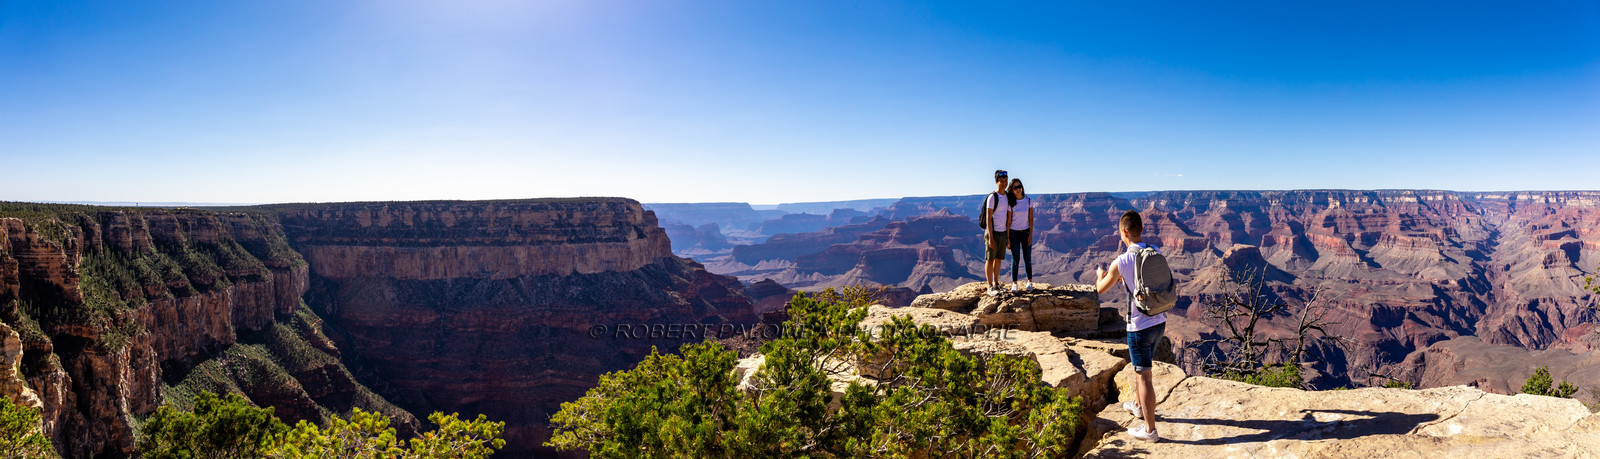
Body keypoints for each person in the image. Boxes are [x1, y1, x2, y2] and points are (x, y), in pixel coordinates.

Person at [1095, 210, 1165, 442]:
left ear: (1124, 232)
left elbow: (1101, 289)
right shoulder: (1156, 252)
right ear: (1141, 230)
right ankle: (1137, 405)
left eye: (1120, 233)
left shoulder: (1122, 261)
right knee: (1140, 368)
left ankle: (1150, 430)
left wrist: (1100, 275)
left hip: (1139, 327)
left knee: (1144, 376)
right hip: (1159, 322)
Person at [982, 170, 1011, 296]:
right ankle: (989, 287)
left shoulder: (1008, 197)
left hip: (1003, 232)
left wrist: (1008, 237)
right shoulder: (992, 197)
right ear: (996, 182)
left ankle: (996, 284)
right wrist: (991, 238)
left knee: (998, 259)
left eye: (1005, 181)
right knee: (990, 259)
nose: (1003, 183)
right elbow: (988, 217)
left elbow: (1008, 218)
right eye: (1001, 181)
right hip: (993, 232)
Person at [1007, 178, 1034, 291]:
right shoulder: (1011, 203)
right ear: (1012, 190)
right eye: (1015, 188)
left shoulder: (1028, 201)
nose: (1018, 189)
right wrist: (1008, 238)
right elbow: (1008, 221)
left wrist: (1030, 235)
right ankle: (1014, 284)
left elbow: (1031, 219)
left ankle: (1029, 282)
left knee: (1027, 258)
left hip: (1026, 232)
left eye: (1019, 186)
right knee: (1015, 259)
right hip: (1014, 233)